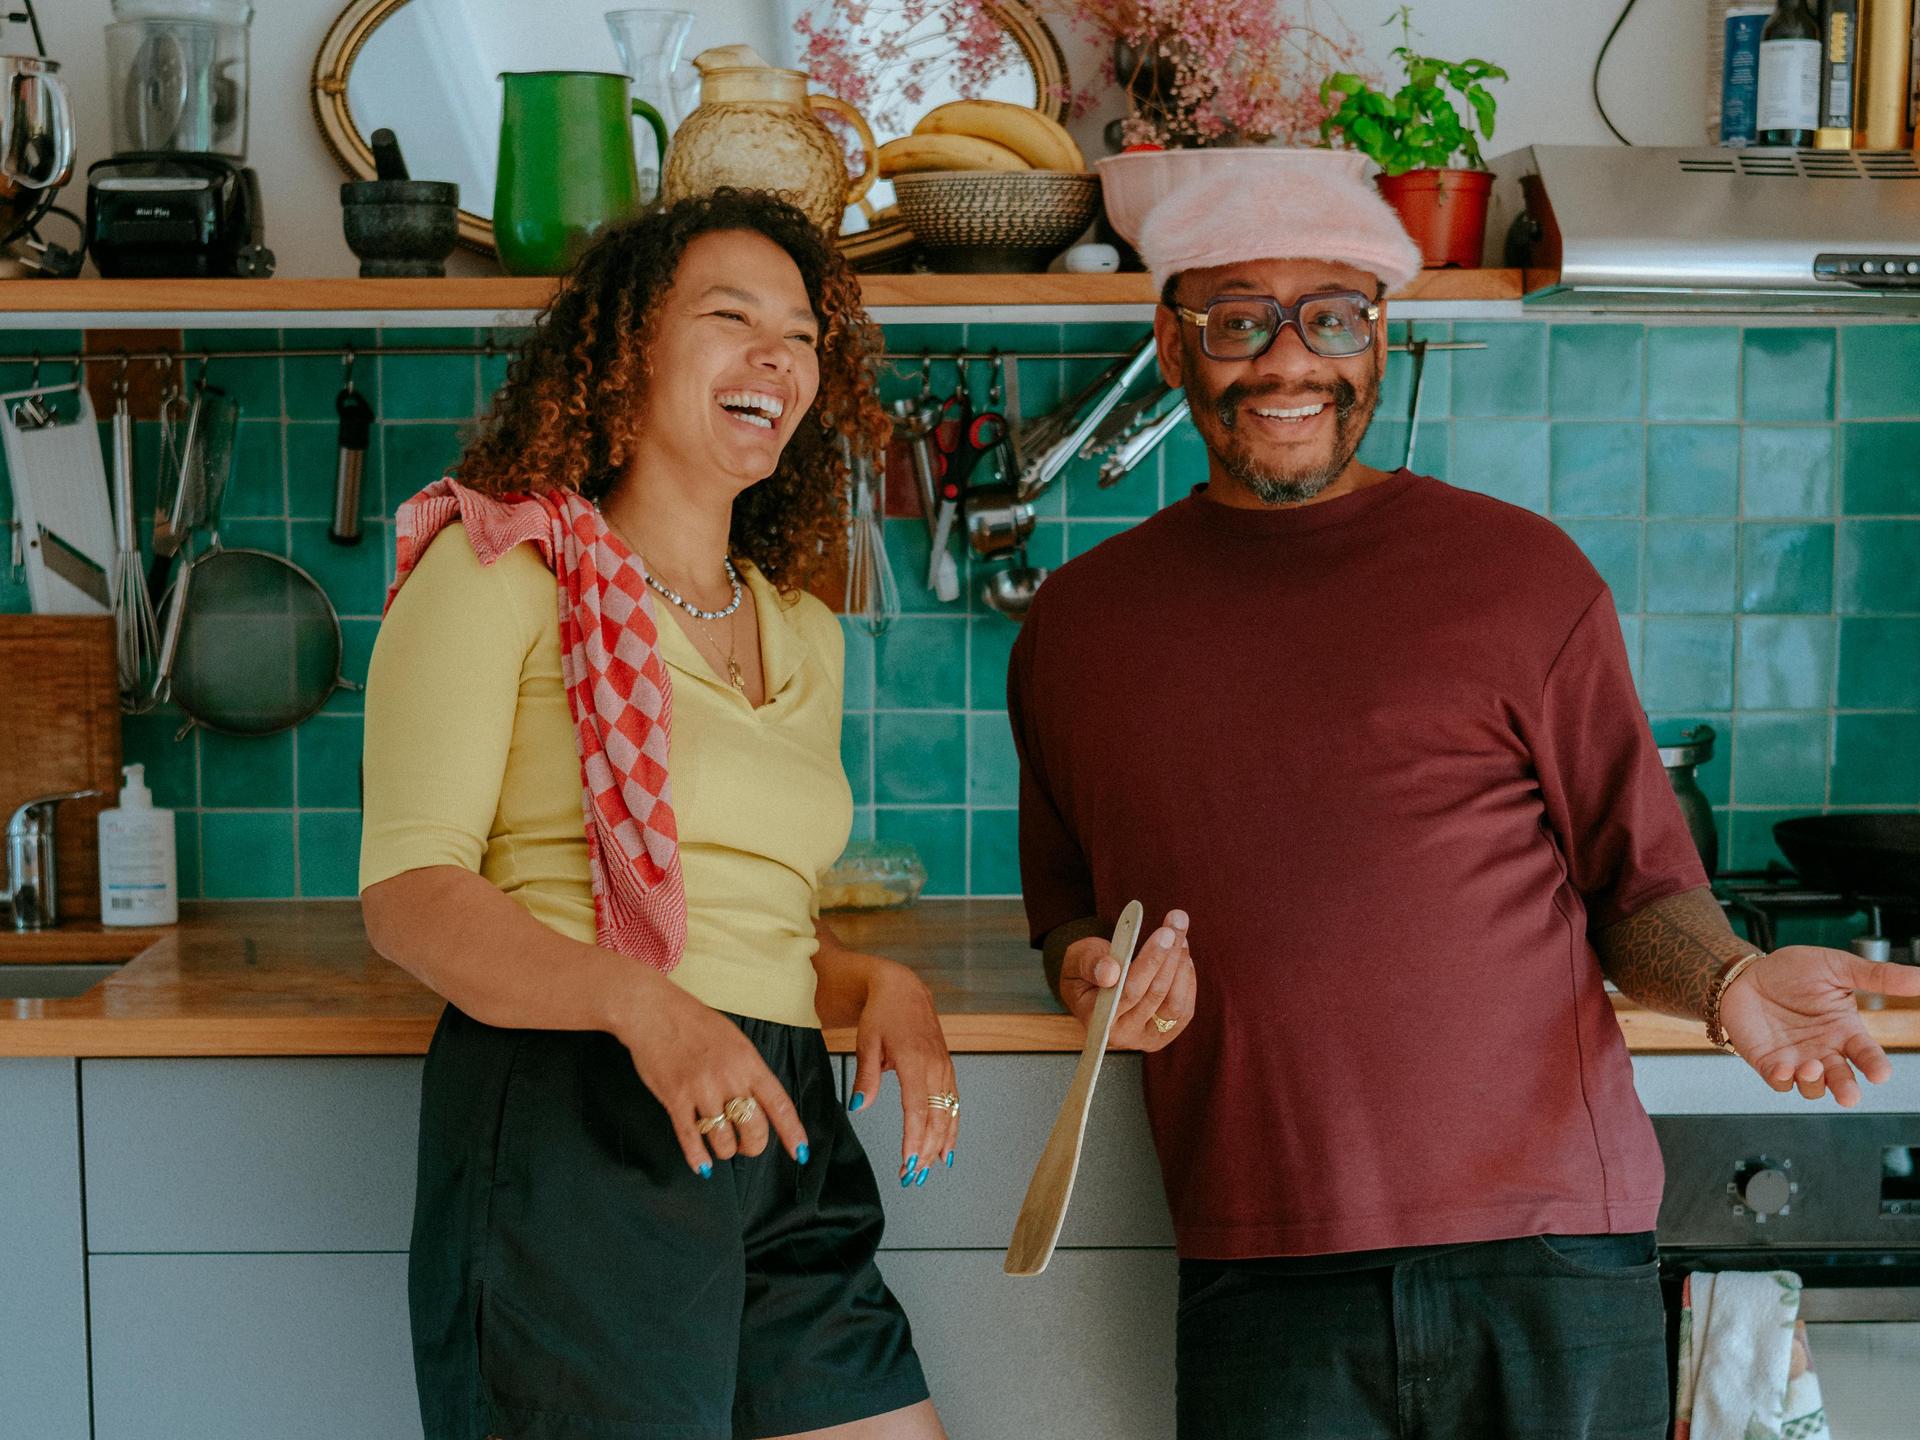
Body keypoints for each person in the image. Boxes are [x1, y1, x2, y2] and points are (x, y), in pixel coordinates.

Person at [1006, 161, 1920, 1440]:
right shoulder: (1078, 630)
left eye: (1331, 314)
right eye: (1237, 318)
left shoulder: (1520, 579)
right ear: (1172, 342)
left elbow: (1640, 887)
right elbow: (1063, 906)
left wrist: (1729, 983)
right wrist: (1089, 967)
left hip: (1547, 1251)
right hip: (1260, 1254)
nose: (1287, 361)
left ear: (1379, 336)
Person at [359, 189, 956, 1440]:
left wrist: (864, 983)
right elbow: (411, 898)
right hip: (581, 1111)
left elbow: (744, 915)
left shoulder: (799, 625)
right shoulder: (497, 569)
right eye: (730, 316)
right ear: (626, 350)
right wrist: (646, 1008)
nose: (777, 356)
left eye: (801, 333)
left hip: (776, 1112)